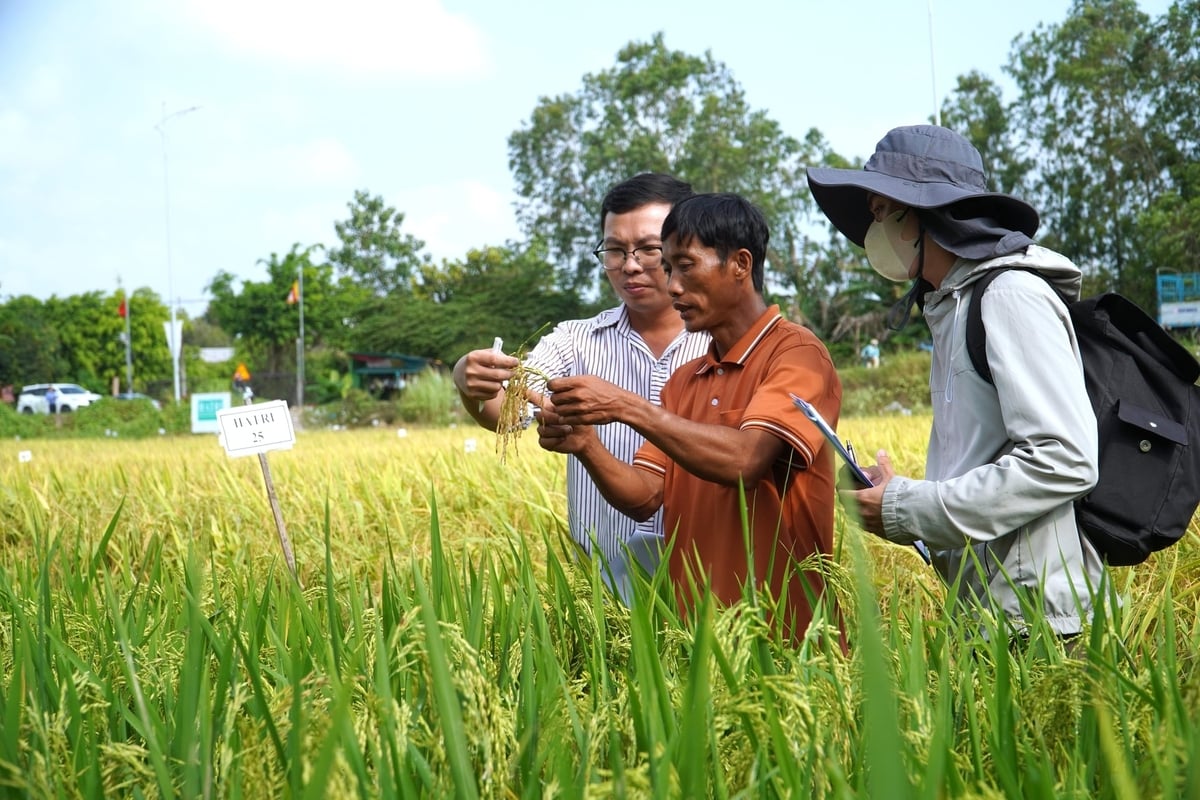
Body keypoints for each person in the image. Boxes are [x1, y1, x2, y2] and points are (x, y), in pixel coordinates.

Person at [806, 124, 1103, 641]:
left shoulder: (1010, 296)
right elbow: (984, 459)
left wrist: (907, 507)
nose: (873, 229)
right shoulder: (951, 309)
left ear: (923, 213)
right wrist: (900, 498)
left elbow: (1065, 459)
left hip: (1042, 625)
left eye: (881, 211)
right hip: (988, 616)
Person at [538, 193, 844, 645]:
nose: (673, 285)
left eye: (686, 266)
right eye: (670, 270)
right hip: (698, 646)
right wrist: (585, 444)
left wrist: (626, 406)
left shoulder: (796, 355)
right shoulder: (684, 382)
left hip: (787, 643)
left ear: (740, 264)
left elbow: (746, 460)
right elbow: (644, 496)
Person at [452, 173, 710, 600]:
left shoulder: (724, 345)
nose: (629, 265)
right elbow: (506, 413)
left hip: (712, 583)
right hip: (602, 586)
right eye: (614, 250)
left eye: (648, 249)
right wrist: (469, 381)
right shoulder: (575, 341)